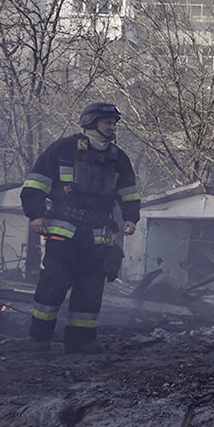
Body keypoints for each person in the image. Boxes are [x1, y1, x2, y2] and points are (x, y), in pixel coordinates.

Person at [19, 102, 140, 354]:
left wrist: (131, 218)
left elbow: (128, 193)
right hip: (64, 231)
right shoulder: (63, 149)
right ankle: (40, 340)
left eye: (114, 123)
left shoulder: (118, 158)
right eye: (108, 122)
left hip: (98, 237)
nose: (113, 127)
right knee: (54, 284)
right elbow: (34, 185)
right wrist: (36, 215)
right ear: (91, 122)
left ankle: (81, 342)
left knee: (90, 290)